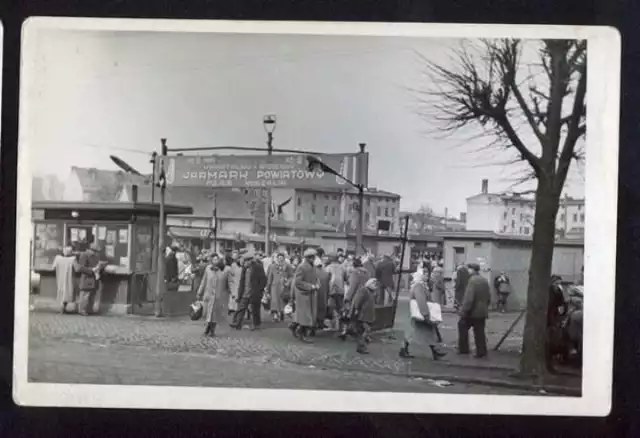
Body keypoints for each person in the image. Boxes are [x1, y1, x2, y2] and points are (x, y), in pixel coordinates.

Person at [400, 271, 447, 360]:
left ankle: (435, 351)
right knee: (419, 332)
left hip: (418, 314)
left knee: (418, 332)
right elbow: (421, 301)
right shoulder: (419, 287)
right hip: (421, 314)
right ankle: (435, 352)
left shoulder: (420, 286)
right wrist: (426, 314)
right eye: (424, 274)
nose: (427, 276)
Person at [457, 263, 491, 358]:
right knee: (479, 331)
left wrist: (463, 311)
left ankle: (463, 349)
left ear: (472, 270)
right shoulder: (484, 281)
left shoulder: (472, 281)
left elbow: (469, 299)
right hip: (482, 311)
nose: (468, 271)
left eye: (469, 269)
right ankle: (481, 351)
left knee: (462, 325)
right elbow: (488, 297)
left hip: (472, 311)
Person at [196, 254, 231, 337]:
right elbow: (204, 281)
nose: (216, 261)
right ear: (211, 260)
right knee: (208, 313)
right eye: (214, 259)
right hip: (208, 294)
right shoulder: (208, 269)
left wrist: (231, 292)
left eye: (217, 259)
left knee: (215, 314)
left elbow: (227, 282)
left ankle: (212, 330)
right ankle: (208, 328)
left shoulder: (223, 270)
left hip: (218, 296)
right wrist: (199, 292)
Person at [231, 253, 267, 331]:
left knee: (255, 309)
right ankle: (238, 323)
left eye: (245, 262)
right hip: (245, 292)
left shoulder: (258, 267)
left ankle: (256, 324)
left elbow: (264, 280)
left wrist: (259, 289)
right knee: (241, 308)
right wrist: (240, 292)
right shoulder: (245, 268)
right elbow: (242, 281)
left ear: (250, 261)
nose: (243, 264)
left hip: (255, 292)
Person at [290, 248, 319, 343]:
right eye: (312, 257)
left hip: (311, 293)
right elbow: (298, 282)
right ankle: (303, 334)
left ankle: (293, 326)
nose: (313, 259)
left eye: (314, 257)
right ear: (308, 258)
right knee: (305, 315)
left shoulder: (313, 267)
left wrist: (317, 284)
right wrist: (310, 286)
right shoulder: (301, 267)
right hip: (303, 294)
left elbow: (315, 278)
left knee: (307, 314)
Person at [349, 278, 379, 354]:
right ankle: (361, 346)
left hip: (367, 315)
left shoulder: (371, 292)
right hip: (363, 315)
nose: (375, 286)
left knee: (364, 331)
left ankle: (361, 346)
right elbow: (357, 300)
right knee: (365, 330)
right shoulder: (364, 290)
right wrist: (356, 310)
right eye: (374, 284)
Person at [547, 275, 569, 372]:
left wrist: (563, 310)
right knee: (550, 338)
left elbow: (562, 303)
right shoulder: (549, 291)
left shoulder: (558, 291)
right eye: (556, 283)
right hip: (549, 317)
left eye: (559, 283)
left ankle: (558, 356)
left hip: (556, 316)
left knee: (557, 336)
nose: (558, 285)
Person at [76, 243, 102, 316]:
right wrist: (92, 269)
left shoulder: (96, 257)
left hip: (94, 278)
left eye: (96, 252)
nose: (96, 253)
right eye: (95, 251)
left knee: (92, 295)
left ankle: (89, 309)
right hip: (87, 278)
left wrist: (99, 268)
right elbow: (80, 268)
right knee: (85, 295)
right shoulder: (84, 255)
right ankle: (82, 310)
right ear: (91, 250)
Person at [266, 252, 294, 322]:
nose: (280, 260)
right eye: (279, 258)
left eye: (282, 258)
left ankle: (281, 314)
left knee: (282, 301)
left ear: (284, 259)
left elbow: (291, 276)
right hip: (274, 286)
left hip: (283, 286)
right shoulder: (272, 266)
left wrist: (288, 282)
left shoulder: (288, 266)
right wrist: (267, 288)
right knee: (274, 301)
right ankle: (275, 315)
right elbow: (269, 278)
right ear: (277, 259)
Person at [326, 253, 347, 331]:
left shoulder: (328, 268)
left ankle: (333, 326)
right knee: (340, 308)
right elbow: (346, 279)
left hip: (332, 290)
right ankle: (341, 327)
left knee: (331, 307)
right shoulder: (343, 268)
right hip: (341, 290)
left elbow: (326, 279)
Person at [52, 246, 77, 314]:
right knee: (68, 291)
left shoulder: (57, 258)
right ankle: (63, 307)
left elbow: (53, 267)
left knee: (61, 291)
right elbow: (77, 268)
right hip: (69, 278)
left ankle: (61, 307)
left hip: (60, 277)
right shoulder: (73, 259)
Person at [314, 257, 331, 332]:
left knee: (314, 309)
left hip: (315, 294)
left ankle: (313, 326)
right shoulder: (326, 273)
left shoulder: (313, 272)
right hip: (324, 294)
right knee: (322, 309)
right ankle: (321, 323)